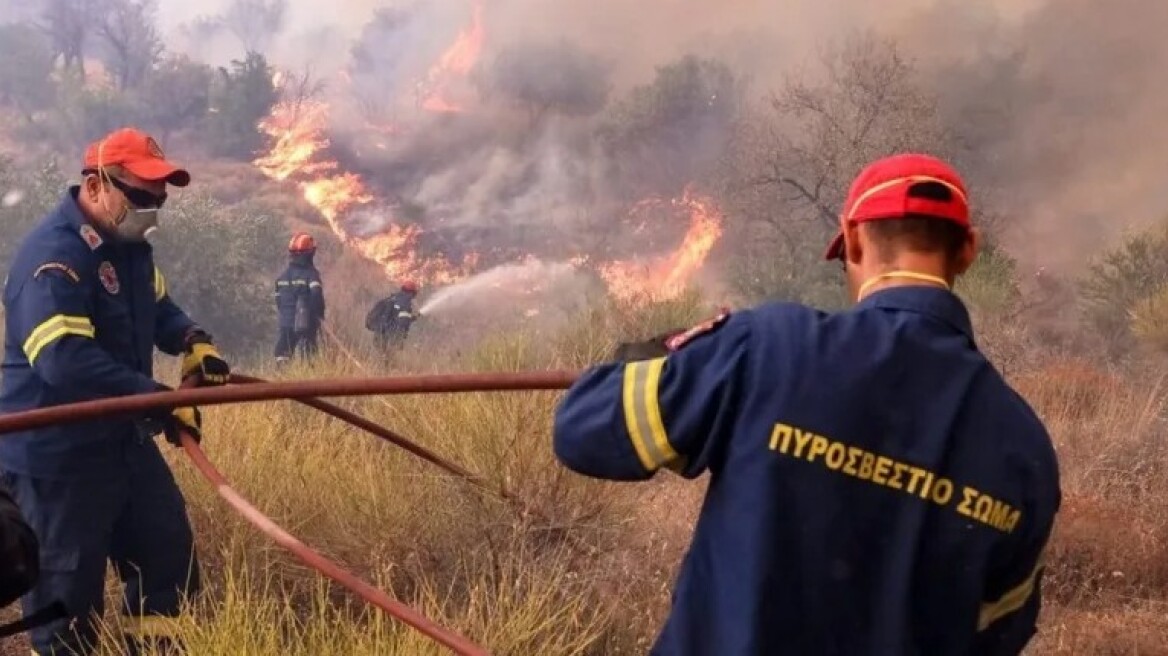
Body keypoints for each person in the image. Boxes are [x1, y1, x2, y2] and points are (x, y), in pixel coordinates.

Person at [553, 153, 1061, 656]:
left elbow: (584, 430)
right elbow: (998, 634)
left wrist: (670, 358)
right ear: (968, 250)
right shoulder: (1025, 448)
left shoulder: (768, 348)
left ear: (853, 238)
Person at [0, 127, 232, 655]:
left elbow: (159, 308)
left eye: (159, 200)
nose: (152, 210)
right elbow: (64, 361)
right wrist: (161, 402)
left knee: (166, 556)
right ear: (96, 185)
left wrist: (193, 340)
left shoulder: (129, 248)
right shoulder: (53, 257)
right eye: (141, 197)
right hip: (56, 458)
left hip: (121, 443)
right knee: (67, 606)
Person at [273, 232, 326, 364]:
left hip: (286, 323)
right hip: (306, 324)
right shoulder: (311, 275)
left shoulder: (282, 277)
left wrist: (286, 315)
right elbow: (317, 297)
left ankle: (281, 374)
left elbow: (278, 302)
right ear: (310, 253)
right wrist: (319, 316)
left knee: (283, 355)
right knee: (308, 356)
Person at [365, 281, 421, 352]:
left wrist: (413, 317)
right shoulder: (406, 302)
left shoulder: (393, 298)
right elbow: (403, 321)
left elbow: (396, 316)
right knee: (389, 357)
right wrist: (398, 340)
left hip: (379, 334)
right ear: (412, 292)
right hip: (391, 338)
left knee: (379, 355)